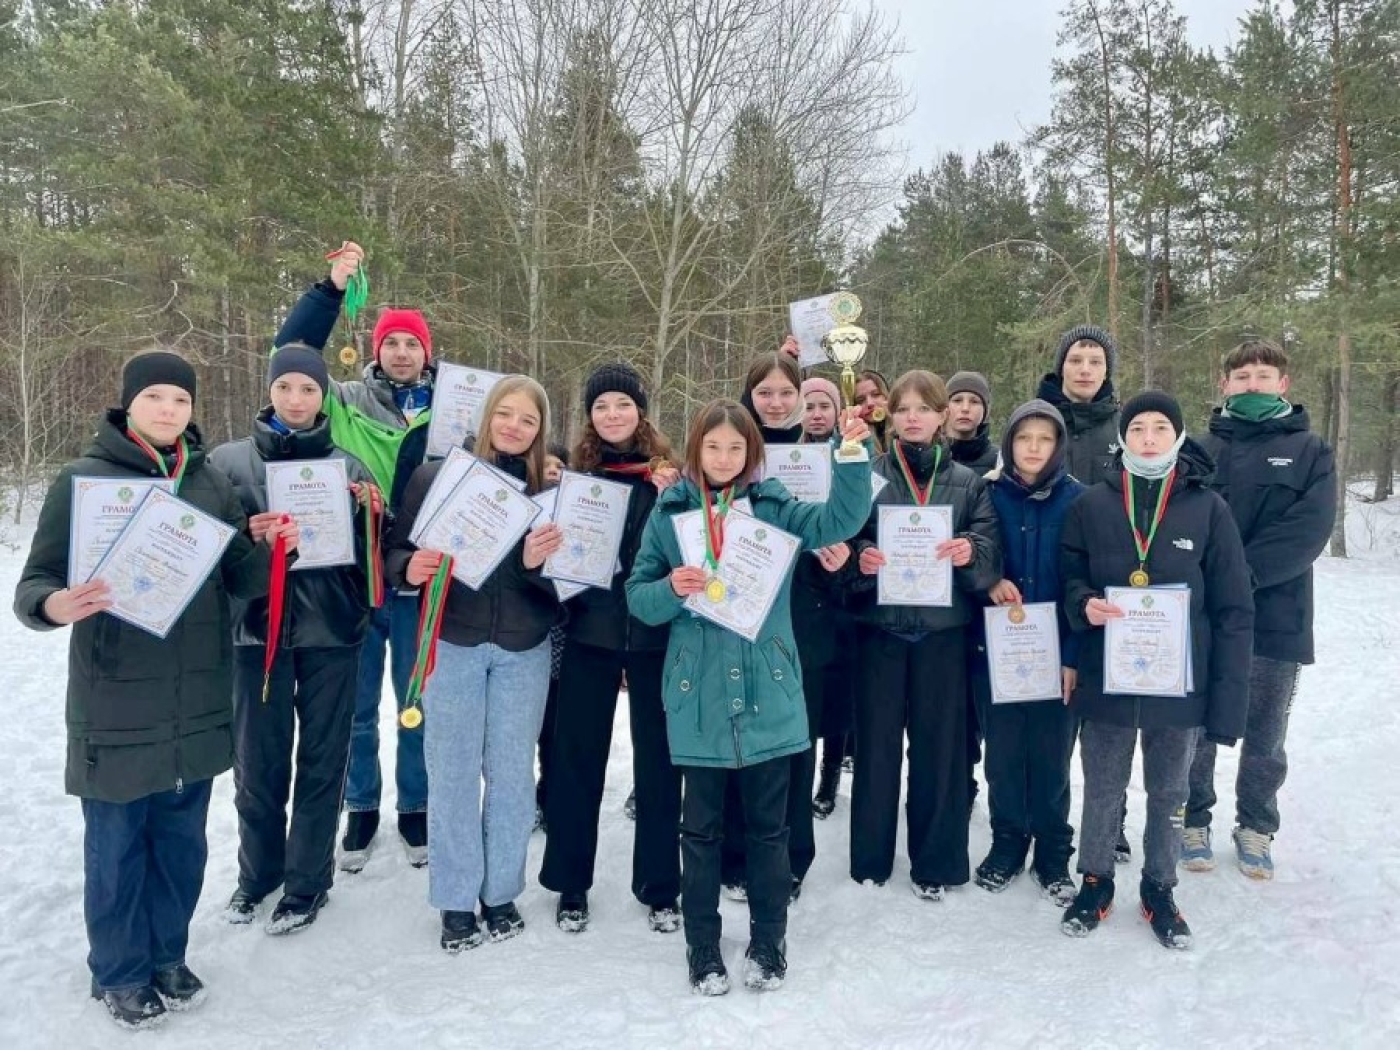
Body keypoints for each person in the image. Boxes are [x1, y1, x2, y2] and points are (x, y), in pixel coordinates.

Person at [13, 350, 296, 1029]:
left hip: (197, 693)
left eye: (181, 401)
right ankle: (117, 971)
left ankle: (168, 954)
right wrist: (56, 606)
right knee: (115, 846)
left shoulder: (206, 484)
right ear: (130, 404)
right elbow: (35, 584)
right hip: (117, 697)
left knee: (181, 843)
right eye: (157, 398)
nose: (170, 411)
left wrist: (272, 547)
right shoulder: (84, 480)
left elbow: (239, 579)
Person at [626, 399, 871, 995]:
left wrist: (852, 453)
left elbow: (839, 519)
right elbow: (637, 596)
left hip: (769, 689)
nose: (725, 458)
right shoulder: (671, 510)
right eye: (714, 447)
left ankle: (769, 942)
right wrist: (670, 588)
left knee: (768, 830)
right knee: (701, 832)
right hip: (698, 696)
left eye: (737, 448)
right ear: (696, 451)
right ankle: (702, 949)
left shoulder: (774, 506)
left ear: (752, 453)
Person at [1059, 392, 1254, 949]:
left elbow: (1234, 607)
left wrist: (1225, 703)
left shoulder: (1207, 508)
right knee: (1101, 786)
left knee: (1170, 791)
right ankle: (1095, 879)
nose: (1148, 437)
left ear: (1178, 435)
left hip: (1179, 685)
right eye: (1137, 427)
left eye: (1160, 427)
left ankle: (1160, 886)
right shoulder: (1093, 504)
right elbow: (1069, 576)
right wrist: (1084, 605)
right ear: (1122, 438)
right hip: (1108, 678)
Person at [386, 376, 563, 951]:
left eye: (528, 420)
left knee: (511, 775)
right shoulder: (436, 478)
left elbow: (568, 585)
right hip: (453, 642)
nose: (514, 426)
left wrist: (538, 564)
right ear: (486, 416)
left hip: (522, 649)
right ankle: (457, 899)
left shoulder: (549, 493)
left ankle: (501, 891)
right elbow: (396, 547)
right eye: (505, 414)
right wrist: (407, 569)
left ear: (540, 432)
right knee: (454, 771)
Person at [274, 243, 434, 871]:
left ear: (426, 352)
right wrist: (330, 288)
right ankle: (362, 805)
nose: (401, 352)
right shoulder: (341, 400)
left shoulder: (450, 409)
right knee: (359, 707)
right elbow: (292, 355)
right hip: (355, 580)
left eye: (412, 344)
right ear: (376, 350)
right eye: (391, 342)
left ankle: (415, 808)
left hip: (420, 580)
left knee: (415, 704)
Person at [209, 344, 379, 934]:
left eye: (309, 389)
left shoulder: (349, 467)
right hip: (257, 633)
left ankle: (307, 883)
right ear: (271, 391)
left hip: (332, 630)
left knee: (323, 759)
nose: (298, 400)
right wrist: (244, 534)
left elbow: (373, 558)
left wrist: (370, 516)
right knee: (257, 763)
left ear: (323, 395)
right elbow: (209, 547)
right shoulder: (228, 463)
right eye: (287, 388)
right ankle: (257, 875)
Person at [539, 363, 686, 934]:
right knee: (576, 763)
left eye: (623, 404)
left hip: (654, 637)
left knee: (659, 764)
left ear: (641, 412)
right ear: (590, 417)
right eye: (602, 407)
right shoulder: (576, 478)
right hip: (590, 635)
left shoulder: (668, 478)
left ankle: (660, 885)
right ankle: (570, 883)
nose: (613, 415)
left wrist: (678, 499)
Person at [1182, 340, 1336, 879]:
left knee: (1266, 731)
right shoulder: (1198, 450)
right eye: (1241, 375)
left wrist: (1239, 576)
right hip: (1207, 616)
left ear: (1283, 384)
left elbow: (1309, 528)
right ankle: (1192, 815)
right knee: (1197, 723)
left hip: (1278, 613)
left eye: (1262, 375)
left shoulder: (1310, 449)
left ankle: (1256, 823)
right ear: (1224, 385)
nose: (1252, 384)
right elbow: (1183, 523)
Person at [845, 370, 1002, 901]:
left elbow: (988, 557)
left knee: (940, 751)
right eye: (904, 408)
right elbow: (845, 544)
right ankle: (870, 858)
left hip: (942, 636)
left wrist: (969, 554)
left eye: (924, 408)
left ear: (941, 418)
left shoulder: (968, 482)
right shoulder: (867, 475)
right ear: (889, 415)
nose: (913, 417)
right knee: (876, 751)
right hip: (881, 634)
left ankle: (935, 862)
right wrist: (861, 562)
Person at [975, 400, 1083, 906]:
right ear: (1009, 443)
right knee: (1002, 755)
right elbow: (968, 554)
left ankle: (1054, 849)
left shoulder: (1081, 501)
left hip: (1057, 652)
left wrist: (1075, 655)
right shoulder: (987, 495)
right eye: (1024, 438)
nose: (1034, 448)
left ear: (1059, 445)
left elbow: (1089, 579)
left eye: (1044, 438)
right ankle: (1008, 840)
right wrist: (989, 579)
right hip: (997, 652)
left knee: (1051, 755)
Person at [1035, 324, 1132, 862]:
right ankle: (1046, 823)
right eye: (1077, 358)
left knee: (1109, 723)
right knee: (1055, 722)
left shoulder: (1125, 428)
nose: (1086, 368)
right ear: (1062, 366)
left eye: (1096, 360)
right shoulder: (1035, 420)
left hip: (1110, 591)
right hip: (1048, 586)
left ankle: (1110, 822)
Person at [801, 378, 858, 820]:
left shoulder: (855, 453)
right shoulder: (785, 458)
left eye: (825, 405)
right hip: (800, 583)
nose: (816, 413)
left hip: (842, 589)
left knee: (837, 690)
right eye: (809, 405)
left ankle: (830, 774)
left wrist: (851, 556)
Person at [945, 371, 999, 475]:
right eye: (957, 400)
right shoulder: (928, 457)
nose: (965, 408)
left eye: (974, 402)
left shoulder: (999, 462)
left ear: (985, 410)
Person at [852, 369, 891, 451]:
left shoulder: (904, 429)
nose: (869, 403)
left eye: (876, 394)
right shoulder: (854, 441)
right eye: (861, 400)